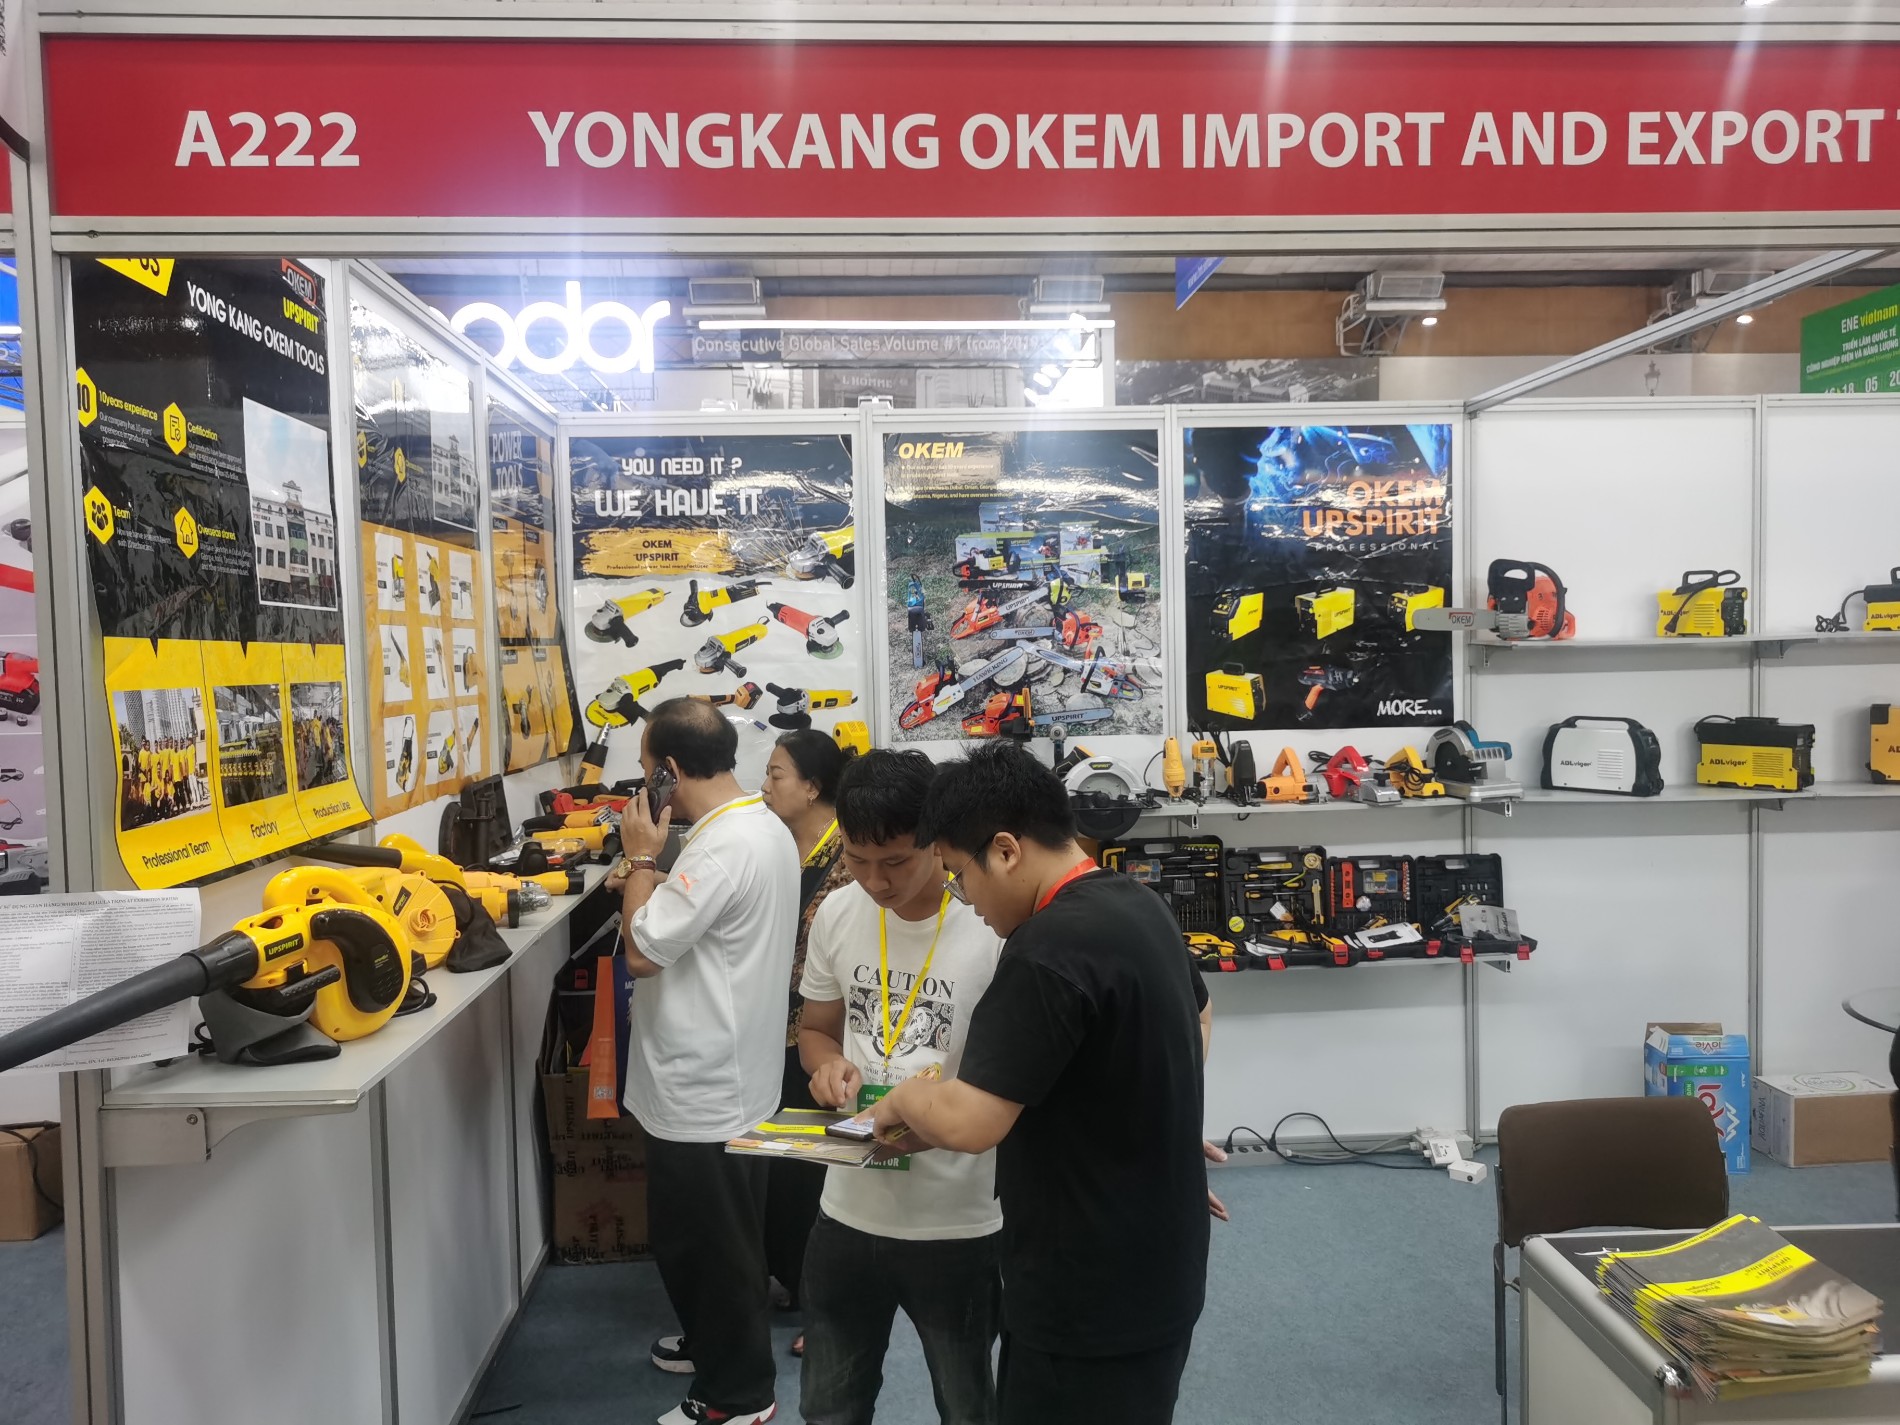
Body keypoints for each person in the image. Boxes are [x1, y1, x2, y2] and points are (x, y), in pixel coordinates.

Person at [865, 742, 1211, 1425]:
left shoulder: (1046, 947)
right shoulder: (1134, 902)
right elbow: (1198, 1014)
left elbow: (970, 1122)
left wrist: (904, 1097)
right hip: (1159, 1264)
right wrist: (1154, 1121)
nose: (966, 900)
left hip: (1084, 1290)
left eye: (960, 876)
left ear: (1005, 850)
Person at [796, 749, 1004, 1425]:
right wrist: (826, 1065)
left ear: (936, 841)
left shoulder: (990, 925)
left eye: (895, 861)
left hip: (958, 1217)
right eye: (857, 860)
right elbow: (816, 1030)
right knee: (829, 1405)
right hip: (847, 1208)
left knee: (967, 1403)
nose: (875, 881)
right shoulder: (838, 913)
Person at [609, 697, 798, 1425]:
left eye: (645, 770)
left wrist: (641, 860)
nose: (643, 783)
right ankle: (714, 1345)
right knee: (721, 1237)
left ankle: (738, 1396)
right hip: (733, 1071)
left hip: (704, 1082)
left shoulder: (721, 847)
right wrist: (654, 877)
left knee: (709, 1246)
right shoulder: (757, 825)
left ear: (668, 770)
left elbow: (642, 952)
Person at [757, 728, 853, 1355]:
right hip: (779, 1028)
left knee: (809, 1170)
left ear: (813, 787)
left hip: (822, 1031)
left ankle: (825, 1309)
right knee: (782, 1164)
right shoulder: (781, 843)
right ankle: (796, 1283)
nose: (765, 787)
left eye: (776, 775)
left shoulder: (846, 857)